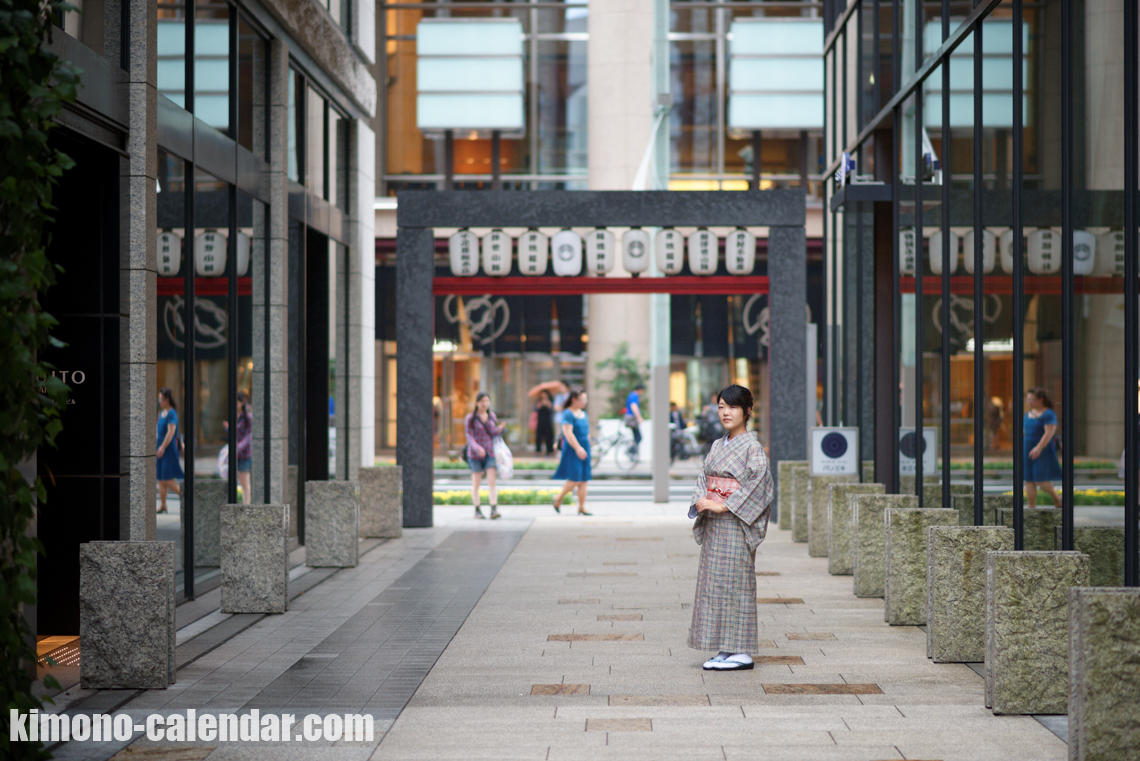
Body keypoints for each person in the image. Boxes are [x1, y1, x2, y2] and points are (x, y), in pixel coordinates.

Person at [687, 384, 774, 671]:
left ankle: (743, 651)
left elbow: (760, 484)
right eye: (722, 406)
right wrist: (702, 500)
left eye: (733, 407)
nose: (726, 412)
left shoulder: (752, 447)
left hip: (736, 523)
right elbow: (703, 477)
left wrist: (724, 505)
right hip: (715, 525)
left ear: (747, 411)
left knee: (737, 583)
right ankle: (726, 647)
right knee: (715, 584)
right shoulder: (717, 445)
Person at [552, 388, 593, 516]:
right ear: (574, 399)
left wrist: (588, 447)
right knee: (575, 478)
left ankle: (581, 507)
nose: (584, 402)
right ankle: (558, 498)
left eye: (585, 399)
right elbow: (568, 433)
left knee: (584, 479)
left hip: (585, 448)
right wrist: (578, 448)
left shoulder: (584, 414)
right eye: (582, 399)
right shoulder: (567, 413)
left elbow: (587, 433)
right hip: (573, 448)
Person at [465, 392, 505, 519]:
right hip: (474, 455)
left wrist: (499, 429)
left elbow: (493, 433)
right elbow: (469, 436)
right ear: (477, 403)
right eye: (482, 401)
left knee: (492, 480)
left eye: (487, 401)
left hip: (490, 453)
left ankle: (493, 508)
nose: (485, 404)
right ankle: (477, 509)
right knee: (476, 483)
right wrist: (477, 448)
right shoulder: (470, 418)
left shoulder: (491, 416)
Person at [1024, 387, 1061, 509]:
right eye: (1028, 399)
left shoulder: (1048, 413)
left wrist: (1038, 448)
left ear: (1041, 399)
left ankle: (1057, 499)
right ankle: (1031, 508)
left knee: (1041, 480)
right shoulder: (1027, 414)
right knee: (1028, 479)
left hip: (1042, 449)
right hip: (1027, 448)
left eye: (1032, 400)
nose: (1029, 402)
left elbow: (1049, 433)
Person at [156, 387, 184, 514]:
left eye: (161, 399)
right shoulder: (162, 413)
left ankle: (186, 497)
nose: (159, 401)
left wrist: (162, 447)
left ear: (167, 399)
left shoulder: (172, 413)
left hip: (167, 448)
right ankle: (163, 505)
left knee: (167, 477)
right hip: (160, 447)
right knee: (161, 478)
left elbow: (171, 432)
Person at [226, 392, 253, 504]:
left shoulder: (248, 417)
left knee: (245, 482)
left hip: (244, 454)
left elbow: (249, 436)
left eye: (236, 401)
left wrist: (238, 447)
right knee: (233, 480)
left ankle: (246, 506)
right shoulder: (234, 416)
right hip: (234, 453)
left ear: (242, 402)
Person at [624, 383, 646, 454]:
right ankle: (631, 451)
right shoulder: (634, 395)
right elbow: (633, 406)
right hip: (632, 419)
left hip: (630, 418)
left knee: (637, 437)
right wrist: (639, 417)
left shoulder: (631, 395)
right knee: (638, 437)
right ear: (639, 390)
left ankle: (632, 452)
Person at [535, 390, 554, 456]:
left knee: (548, 436)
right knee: (538, 437)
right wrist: (540, 405)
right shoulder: (538, 401)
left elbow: (552, 409)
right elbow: (535, 409)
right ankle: (538, 451)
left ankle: (549, 451)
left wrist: (548, 404)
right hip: (540, 421)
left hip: (547, 421)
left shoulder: (550, 401)